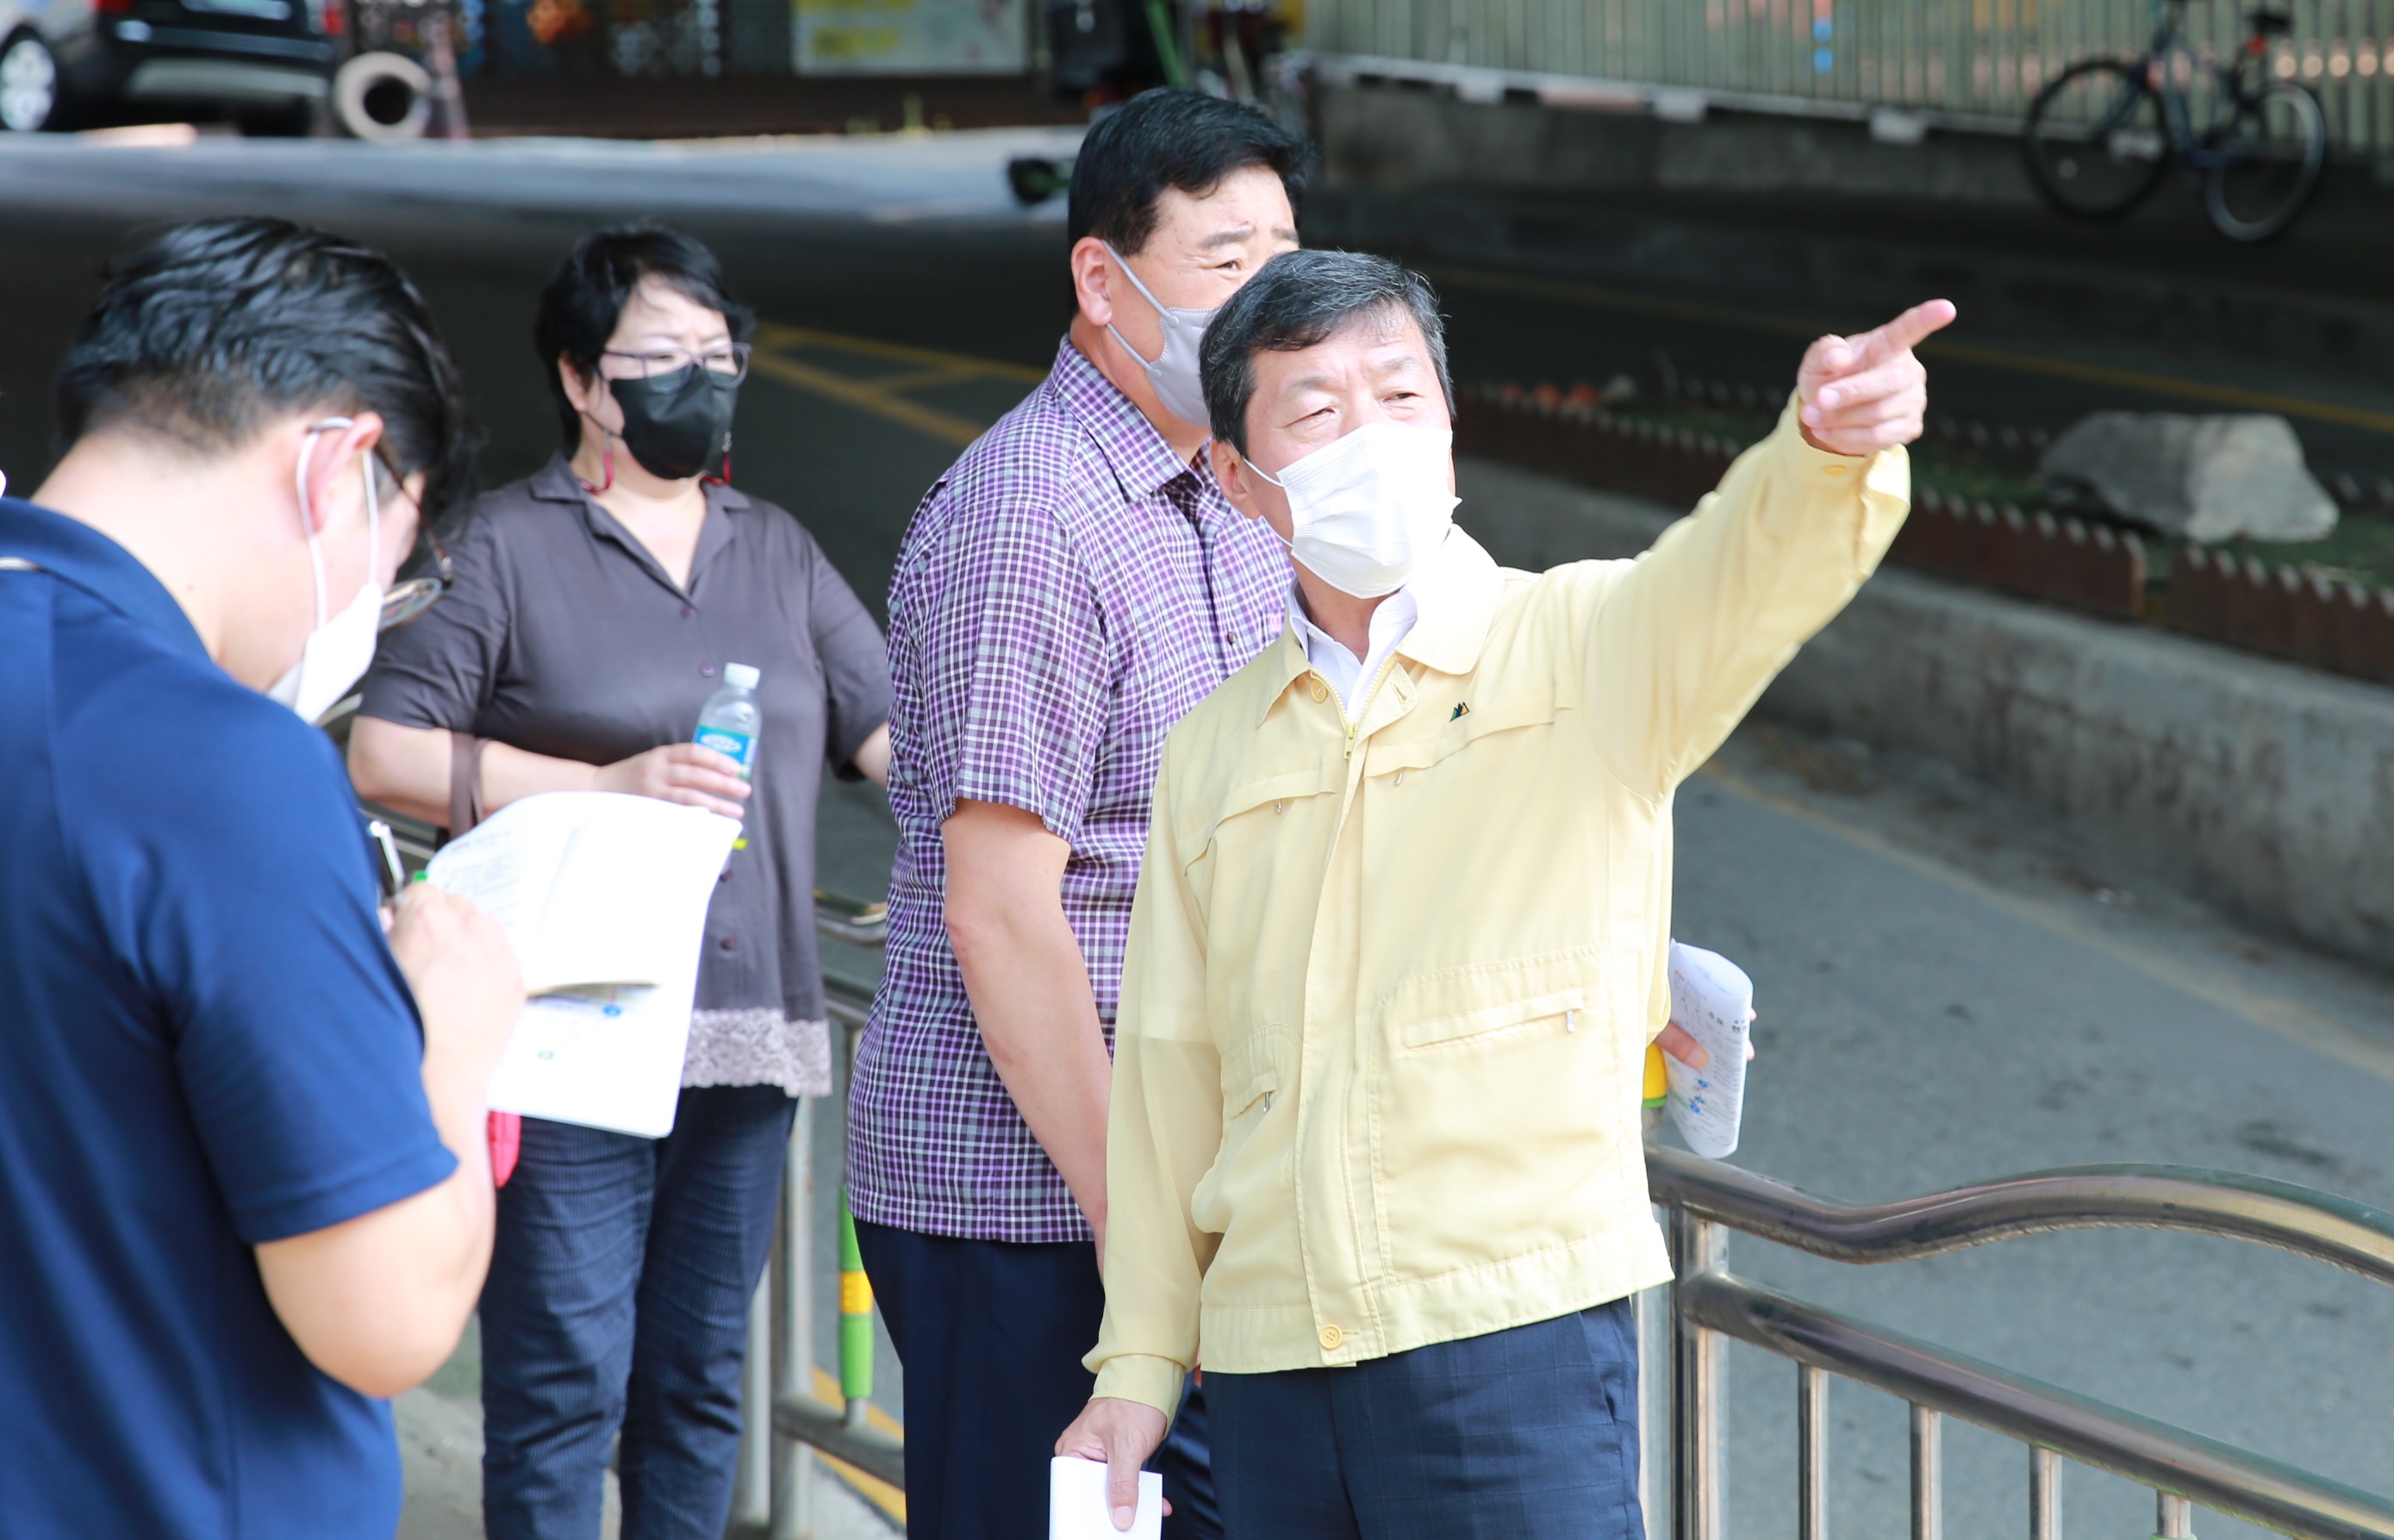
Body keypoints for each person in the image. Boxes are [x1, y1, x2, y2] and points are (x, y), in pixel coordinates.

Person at [1058, 250, 1951, 1537]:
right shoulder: (1215, 746)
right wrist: (1139, 1363)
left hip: (1506, 1337)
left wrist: (1817, 451)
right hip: (1263, 1368)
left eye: (1401, 395)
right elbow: (1167, 1066)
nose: (1370, 434)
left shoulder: (1583, 646)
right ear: (1243, 483)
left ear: (1451, 429)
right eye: (1315, 410)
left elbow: (1737, 578)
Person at [346, 223, 894, 1540]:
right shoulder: (501, 549)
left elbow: (895, 743)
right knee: (564, 1382)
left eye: (719, 356)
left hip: (745, 1027)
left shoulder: (775, 550)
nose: (697, 383)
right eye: (662, 358)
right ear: (585, 380)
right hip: (571, 1028)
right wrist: (597, 783)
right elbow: (383, 749)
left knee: (700, 1382)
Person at [0, 217, 524, 1539]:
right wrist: (455, 1036)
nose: (361, 609)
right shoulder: (222, 767)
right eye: (392, 562)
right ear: (338, 464)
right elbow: (387, 1312)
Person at [843, 88, 1311, 1540]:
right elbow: (1001, 910)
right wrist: (1142, 1230)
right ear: (1103, 281)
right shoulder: (1033, 517)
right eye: (1228, 258)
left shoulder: (1237, 489)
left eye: (1288, 249)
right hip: (1031, 1200)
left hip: (1182, 1190)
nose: (1276, 292)